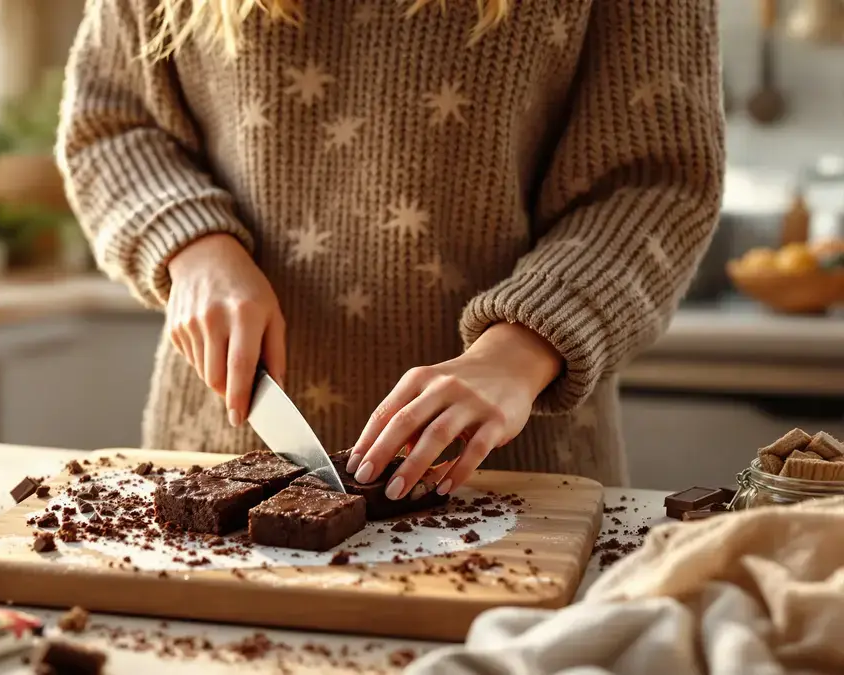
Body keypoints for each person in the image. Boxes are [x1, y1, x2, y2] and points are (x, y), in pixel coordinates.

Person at [58, 0, 725, 500]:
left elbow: (657, 182)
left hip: (513, 478)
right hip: (220, 457)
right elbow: (113, 124)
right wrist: (194, 245)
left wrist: (520, 349)